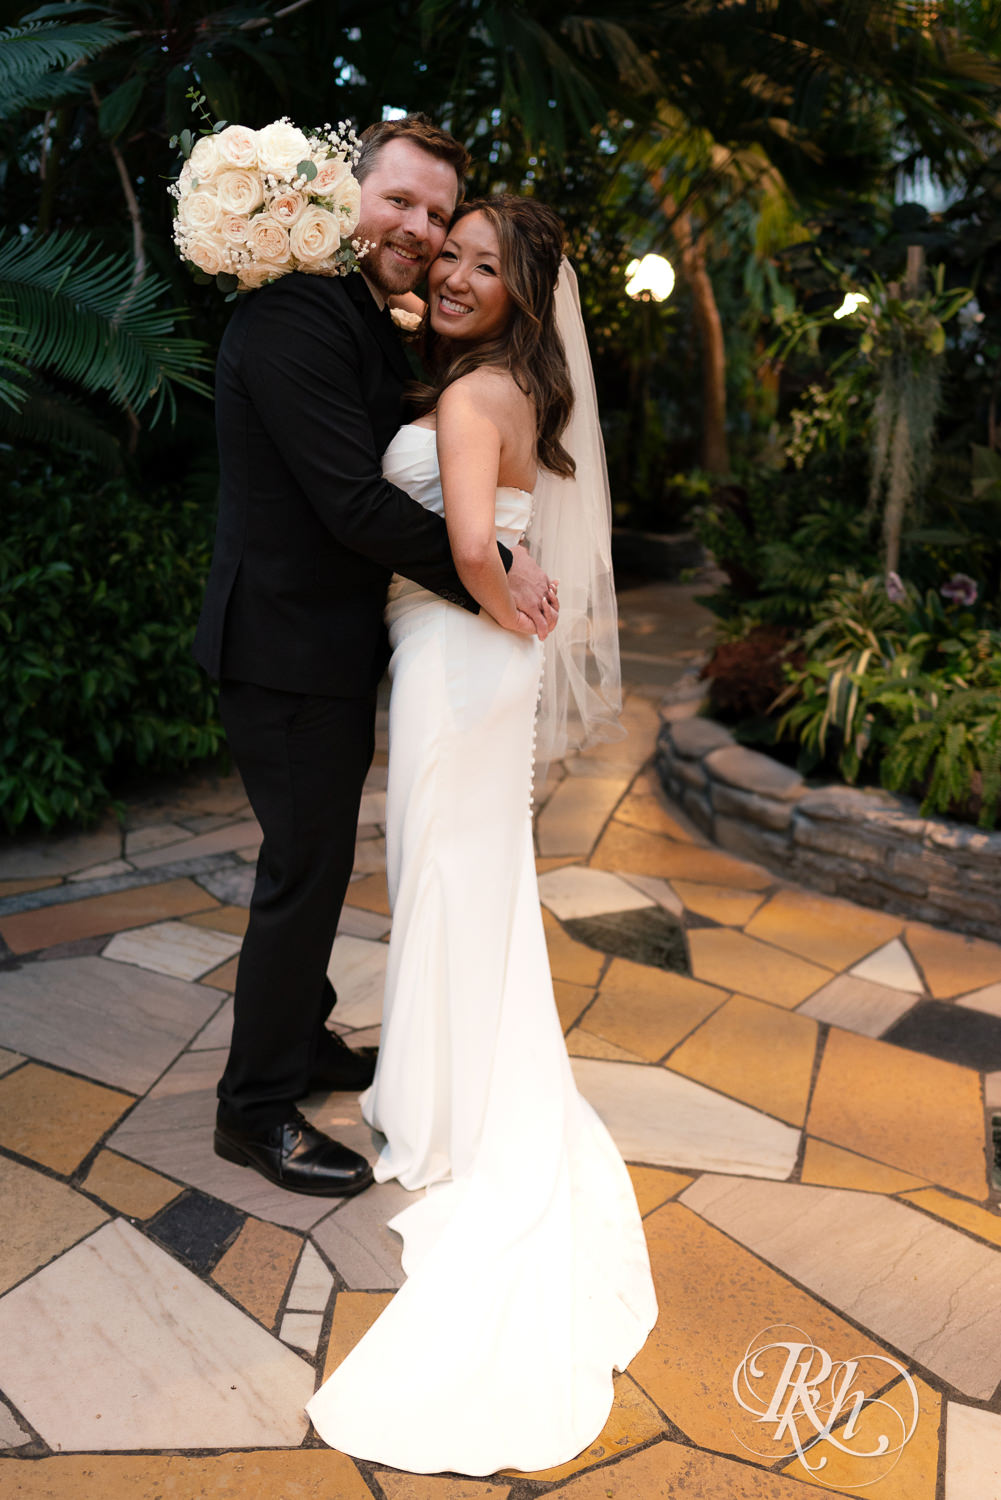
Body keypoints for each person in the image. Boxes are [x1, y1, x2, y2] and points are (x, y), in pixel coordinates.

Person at [306, 197, 657, 1475]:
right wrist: (517, 597)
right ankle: (452, 1103)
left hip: (459, 655)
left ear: (522, 288)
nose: (450, 273)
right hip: (471, 654)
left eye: (478, 264)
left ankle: (447, 1124)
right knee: (470, 886)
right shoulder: (507, 387)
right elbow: (495, 539)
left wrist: (507, 608)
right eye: (444, 253)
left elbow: (461, 545)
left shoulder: (466, 402)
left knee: (445, 885)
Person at [194, 116, 559, 1198]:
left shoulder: (361, 317)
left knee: (314, 867)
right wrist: (490, 568)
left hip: (326, 647)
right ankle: (252, 1109)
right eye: (398, 201)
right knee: (300, 877)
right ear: (344, 197)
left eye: (437, 213)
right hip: (283, 647)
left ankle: (300, 1045)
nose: (419, 228)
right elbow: (353, 504)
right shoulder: (296, 317)